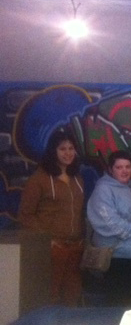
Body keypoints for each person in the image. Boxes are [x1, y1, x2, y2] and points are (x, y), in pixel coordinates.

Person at [18, 130, 85, 306]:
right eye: (62, 148)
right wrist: (47, 240)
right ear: (52, 151)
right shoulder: (38, 180)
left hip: (75, 248)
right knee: (50, 296)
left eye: (71, 148)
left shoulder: (77, 177)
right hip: (52, 250)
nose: (68, 153)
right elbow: (25, 216)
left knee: (72, 296)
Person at [87, 150, 131, 306]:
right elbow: (106, 218)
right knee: (118, 301)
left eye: (127, 167)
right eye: (119, 167)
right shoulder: (104, 189)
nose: (124, 171)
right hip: (119, 257)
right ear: (111, 169)